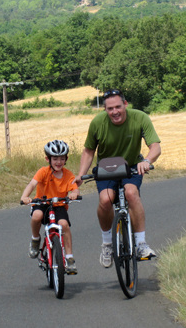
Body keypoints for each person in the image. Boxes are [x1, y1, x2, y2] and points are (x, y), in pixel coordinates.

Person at [75, 89, 161, 268]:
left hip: (131, 167)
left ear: (125, 104)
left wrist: (146, 161)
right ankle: (107, 244)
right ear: (105, 110)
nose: (114, 112)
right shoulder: (98, 122)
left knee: (131, 193)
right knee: (106, 200)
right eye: (110, 108)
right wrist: (81, 174)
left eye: (118, 107)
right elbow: (89, 151)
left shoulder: (140, 118)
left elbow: (155, 146)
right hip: (106, 169)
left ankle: (141, 244)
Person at [21, 140, 80, 274]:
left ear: (66, 159)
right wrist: (25, 196)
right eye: (55, 159)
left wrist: (74, 194)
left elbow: (75, 189)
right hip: (42, 204)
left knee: (64, 224)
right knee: (37, 216)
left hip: (59, 205)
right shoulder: (43, 171)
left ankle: (69, 258)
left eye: (62, 159)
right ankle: (35, 239)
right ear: (48, 159)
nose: (58, 162)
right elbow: (32, 184)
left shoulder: (68, 175)